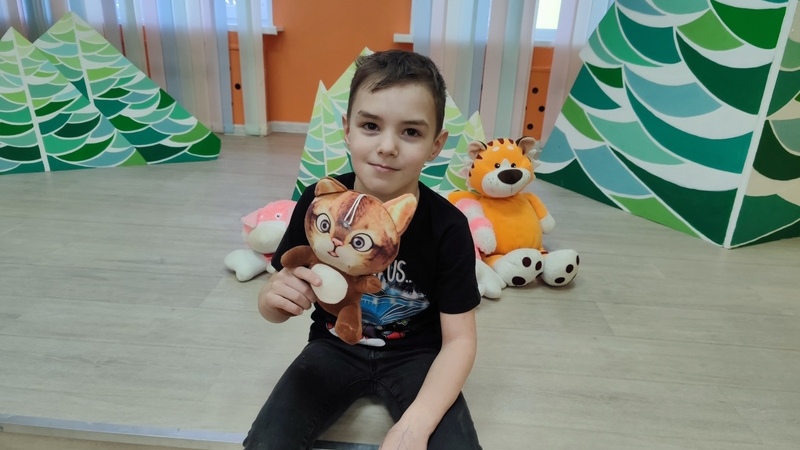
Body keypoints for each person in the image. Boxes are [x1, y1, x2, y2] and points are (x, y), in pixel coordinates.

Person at [243, 49, 482, 450]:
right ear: (347, 129)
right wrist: (270, 300)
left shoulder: (449, 227)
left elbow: (460, 340)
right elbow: (279, 301)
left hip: (418, 357)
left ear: (436, 144)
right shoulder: (319, 203)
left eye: (411, 132)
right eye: (371, 125)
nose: (387, 146)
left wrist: (415, 425)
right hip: (332, 346)